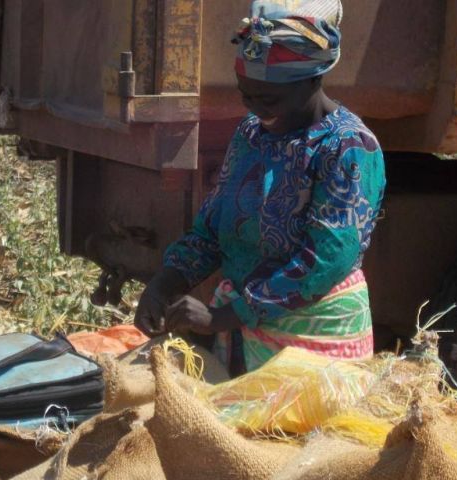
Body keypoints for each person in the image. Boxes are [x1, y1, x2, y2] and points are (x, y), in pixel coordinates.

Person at [134, 0, 386, 376]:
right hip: (243, 338)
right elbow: (213, 229)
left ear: (313, 79)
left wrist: (227, 315)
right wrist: (166, 282)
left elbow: (326, 260)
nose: (254, 107)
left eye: (268, 98)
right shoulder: (251, 133)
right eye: (245, 94)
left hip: (317, 345)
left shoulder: (348, 147)